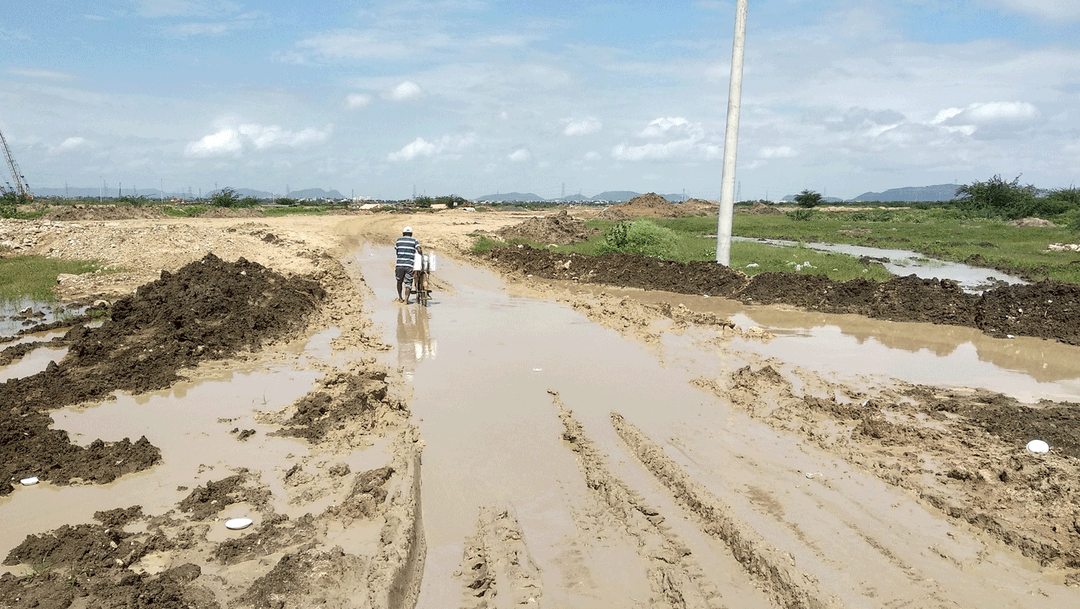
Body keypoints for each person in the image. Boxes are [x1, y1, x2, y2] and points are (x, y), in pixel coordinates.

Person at [395, 226, 422, 303]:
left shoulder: (399, 240)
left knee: (399, 281)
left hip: (399, 264)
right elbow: (419, 249)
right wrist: (420, 255)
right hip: (409, 265)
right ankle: (406, 300)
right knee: (408, 283)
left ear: (403, 233)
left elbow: (397, 252)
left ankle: (400, 297)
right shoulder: (414, 240)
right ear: (411, 234)